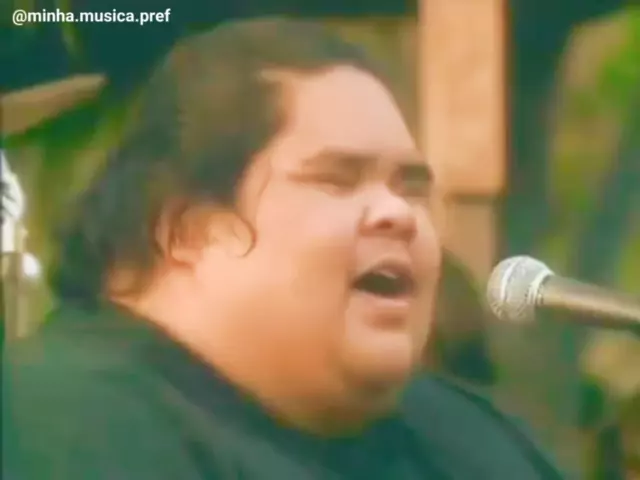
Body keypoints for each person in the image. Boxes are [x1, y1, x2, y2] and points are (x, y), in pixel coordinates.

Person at [3, 18, 565, 479]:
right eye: (339, 180)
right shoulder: (63, 425)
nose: (398, 214)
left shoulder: (470, 435)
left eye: (410, 188)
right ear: (188, 232)